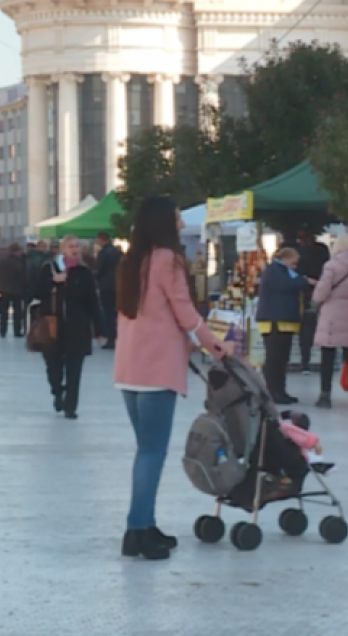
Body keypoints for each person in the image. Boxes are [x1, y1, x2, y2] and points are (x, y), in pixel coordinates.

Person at [114, 196, 226, 561]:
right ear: (164, 221)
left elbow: (148, 316)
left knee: (145, 451)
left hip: (130, 370)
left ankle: (145, 524)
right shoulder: (168, 260)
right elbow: (186, 313)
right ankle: (135, 531)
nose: (181, 223)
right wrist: (214, 346)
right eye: (178, 216)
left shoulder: (134, 261)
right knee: (152, 452)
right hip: (157, 371)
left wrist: (186, 343)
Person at [36, 235, 104, 420]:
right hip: (53, 327)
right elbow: (35, 292)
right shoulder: (48, 269)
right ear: (62, 249)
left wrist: (99, 329)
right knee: (53, 366)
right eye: (71, 246)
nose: (75, 249)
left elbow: (93, 303)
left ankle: (70, 406)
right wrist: (54, 282)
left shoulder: (84, 272)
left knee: (75, 369)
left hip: (77, 328)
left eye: (77, 246)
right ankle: (58, 391)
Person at [311, 233, 348, 410]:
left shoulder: (332, 266)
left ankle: (325, 396)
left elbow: (321, 292)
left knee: (327, 356)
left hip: (332, 316)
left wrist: (315, 300)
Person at [256, 246, 315, 405]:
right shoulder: (274, 271)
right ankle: (272, 392)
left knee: (282, 360)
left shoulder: (283, 271)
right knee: (274, 359)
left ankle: (280, 391)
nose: (295, 266)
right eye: (293, 263)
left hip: (284, 322)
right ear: (285, 258)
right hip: (274, 321)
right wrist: (303, 281)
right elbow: (286, 285)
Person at [296, 230, 331, 374]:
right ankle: (315, 362)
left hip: (305, 294)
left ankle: (306, 362)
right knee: (313, 328)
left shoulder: (300, 251)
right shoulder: (321, 250)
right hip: (318, 292)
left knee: (307, 330)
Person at [0, 243, 28, 338]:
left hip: (4, 290)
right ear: (16, 252)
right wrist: (24, 288)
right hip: (16, 291)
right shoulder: (19, 263)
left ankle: (2, 331)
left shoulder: (2, 262)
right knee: (17, 312)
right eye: (20, 251)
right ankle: (17, 331)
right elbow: (22, 277)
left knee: (3, 312)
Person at [95, 231, 121, 350]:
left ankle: (111, 338)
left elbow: (99, 270)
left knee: (108, 312)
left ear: (101, 239)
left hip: (106, 285)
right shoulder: (117, 251)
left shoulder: (103, 253)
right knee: (115, 312)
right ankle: (117, 336)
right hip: (117, 284)